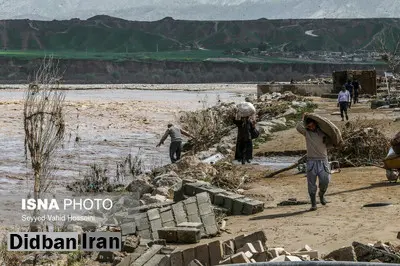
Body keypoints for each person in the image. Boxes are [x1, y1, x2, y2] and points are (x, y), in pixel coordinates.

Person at [296, 114, 331, 211]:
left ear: (315, 124)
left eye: (312, 125)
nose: (311, 127)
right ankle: (313, 203)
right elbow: (298, 127)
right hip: (311, 161)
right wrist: (304, 119)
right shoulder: (307, 133)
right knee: (311, 183)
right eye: (309, 126)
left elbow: (333, 136)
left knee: (325, 181)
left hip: (323, 161)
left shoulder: (323, 133)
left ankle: (321, 194)